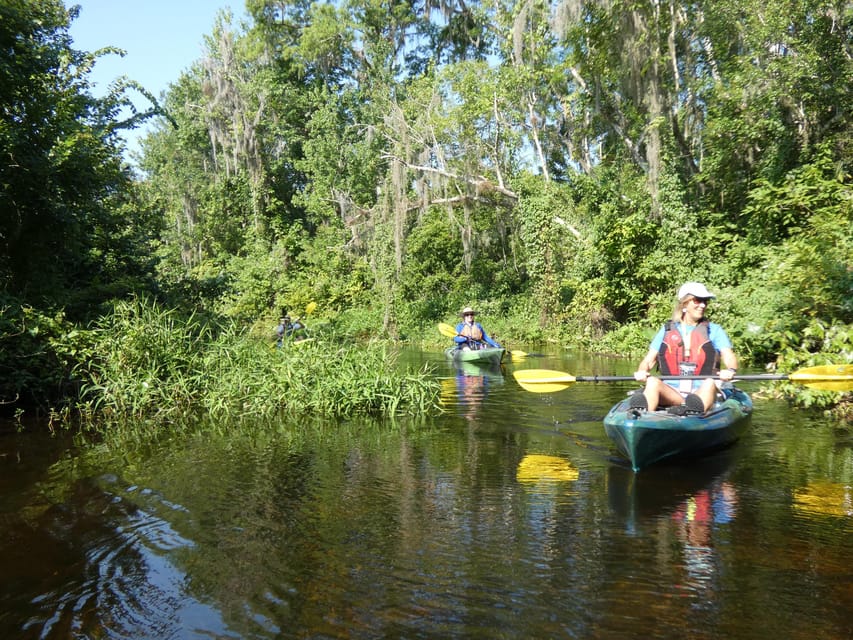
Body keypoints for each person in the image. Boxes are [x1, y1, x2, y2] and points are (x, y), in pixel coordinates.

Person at [630, 282, 738, 414]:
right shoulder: (667, 330)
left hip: (701, 392)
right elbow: (648, 360)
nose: (703, 305)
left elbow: (728, 355)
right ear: (685, 304)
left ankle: (692, 412)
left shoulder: (714, 330)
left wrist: (731, 370)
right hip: (672, 393)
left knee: (710, 382)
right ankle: (641, 417)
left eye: (705, 301)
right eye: (697, 300)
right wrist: (642, 371)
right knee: (652, 382)